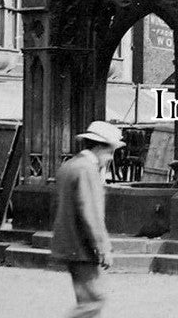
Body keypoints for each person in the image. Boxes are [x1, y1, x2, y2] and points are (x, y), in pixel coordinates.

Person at [51, 121, 125, 318]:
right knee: (94, 301)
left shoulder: (69, 166)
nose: (109, 158)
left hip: (69, 243)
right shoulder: (87, 170)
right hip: (82, 246)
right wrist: (103, 248)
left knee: (86, 300)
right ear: (99, 147)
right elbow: (91, 213)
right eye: (110, 152)